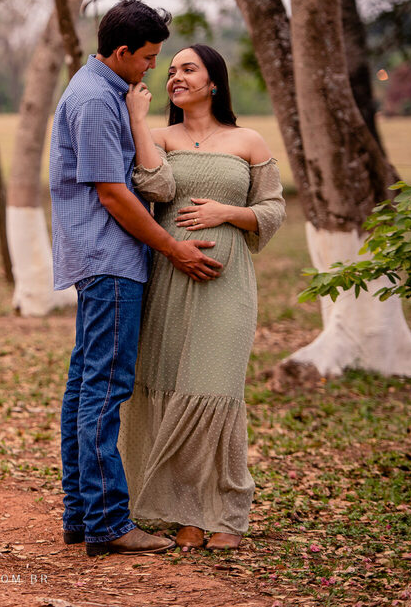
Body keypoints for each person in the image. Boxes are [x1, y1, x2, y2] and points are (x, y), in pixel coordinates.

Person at [50, 0, 225, 556]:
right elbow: (114, 195)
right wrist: (173, 247)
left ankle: (81, 515)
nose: (154, 67)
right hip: (111, 261)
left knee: (84, 389)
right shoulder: (96, 100)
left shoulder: (98, 90)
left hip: (98, 260)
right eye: (149, 58)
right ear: (122, 52)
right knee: (104, 392)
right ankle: (106, 523)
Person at [118, 44, 286, 551]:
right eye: (170, 71)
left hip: (228, 285)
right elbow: (157, 187)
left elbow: (274, 209)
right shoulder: (157, 137)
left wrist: (227, 213)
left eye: (188, 68)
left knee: (214, 390)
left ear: (214, 80)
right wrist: (139, 122)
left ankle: (228, 513)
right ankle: (186, 512)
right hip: (168, 279)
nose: (175, 77)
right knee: (169, 386)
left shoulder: (249, 140)